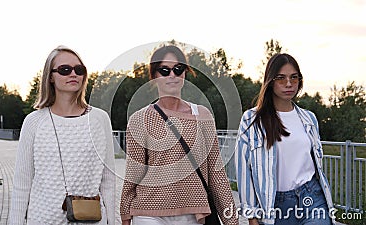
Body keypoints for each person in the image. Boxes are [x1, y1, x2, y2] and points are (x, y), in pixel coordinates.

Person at [120, 45, 238, 225]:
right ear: (154, 76)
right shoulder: (139, 119)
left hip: (193, 214)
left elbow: (217, 174)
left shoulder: (202, 115)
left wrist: (232, 220)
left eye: (178, 69)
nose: (172, 75)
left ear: (185, 73)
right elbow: (133, 174)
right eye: (164, 71)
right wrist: (125, 215)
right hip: (148, 213)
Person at [9, 45, 116, 225]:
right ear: (50, 77)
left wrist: (113, 221)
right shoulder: (34, 122)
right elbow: (22, 183)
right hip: (43, 219)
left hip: (91, 220)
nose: (73, 74)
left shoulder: (99, 119)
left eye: (79, 69)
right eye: (65, 70)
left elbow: (108, 181)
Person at [234, 53, 335, 225]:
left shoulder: (309, 119)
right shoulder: (251, 120)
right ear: (270, 81)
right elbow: (244, 170)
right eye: (281, 78)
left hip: (312, 197)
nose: (288, 84)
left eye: (294, 78)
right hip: (276, 206)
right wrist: (251, 216)